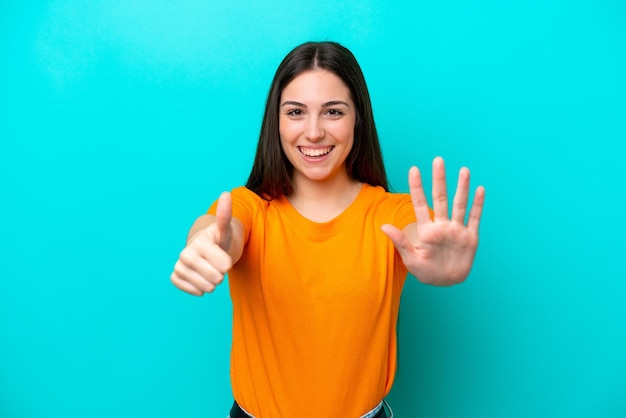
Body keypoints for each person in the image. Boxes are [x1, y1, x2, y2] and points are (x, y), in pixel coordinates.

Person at [171, 41, 485, 418]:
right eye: (296, 112)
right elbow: (222, 230)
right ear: (277, 121)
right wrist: (206, 242)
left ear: (358, 119)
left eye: (333, 111)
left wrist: (436, 250)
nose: (314, 131)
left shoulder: (391, 214)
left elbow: (419, 232)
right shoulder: (250, 208)